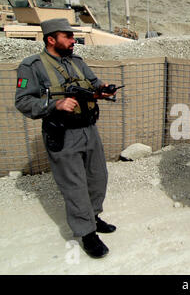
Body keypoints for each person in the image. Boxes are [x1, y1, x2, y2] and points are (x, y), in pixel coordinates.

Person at [15, 18, 116, 258]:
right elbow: (22, 101)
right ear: (51, 39)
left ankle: (93, 217)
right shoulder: (32, 66)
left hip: (88, 129)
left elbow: (93, 83)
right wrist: (54, 104)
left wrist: (102, 89)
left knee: (97, 177)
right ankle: (86, 233)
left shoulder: (77, 62)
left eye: (73, 37)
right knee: (74, 184)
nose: (73, 41)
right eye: (67, 37)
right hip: (62, 131)